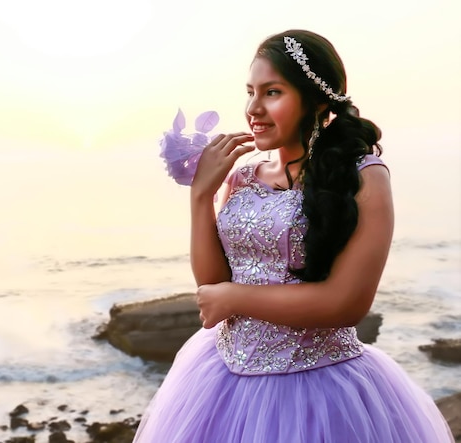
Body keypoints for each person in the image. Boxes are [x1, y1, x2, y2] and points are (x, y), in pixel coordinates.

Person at [133, 29, 454, 443]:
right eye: (250, 91)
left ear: (317, 100)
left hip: (320, 389)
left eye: (272, 92)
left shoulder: (365, 177)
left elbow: (346, 304)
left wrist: (235, 298)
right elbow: (210, 286)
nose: (253, 108)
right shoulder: (243, 177)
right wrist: (201, 197)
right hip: (219, 377)